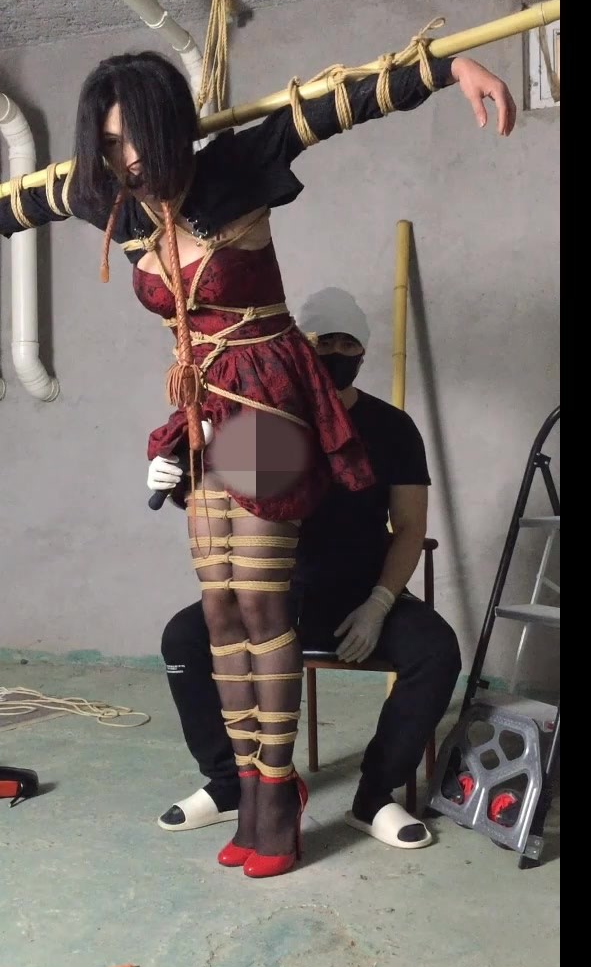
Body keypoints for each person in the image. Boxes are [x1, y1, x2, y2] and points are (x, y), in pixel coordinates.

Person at [0, 36, 514, 878]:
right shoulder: (116, 201)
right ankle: (251, 789)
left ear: (169, 126)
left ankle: (274, 796)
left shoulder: (235, 167)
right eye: (108, 143)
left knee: (259, 605)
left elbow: (336, 102)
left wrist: (445, 68)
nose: (125, 158)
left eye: (135, 138)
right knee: (219, 613)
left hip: (268, 402)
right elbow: (29, 199)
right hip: (204, 409)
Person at [152, 288, 462, 853]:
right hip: (269, 594)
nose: (335, 353)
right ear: (298, 349)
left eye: (347, 343)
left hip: (358, 596)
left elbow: (410, 527)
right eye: (322, 342)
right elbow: (222, 502)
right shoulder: (265, 423)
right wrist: (177, 473)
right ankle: (229, 784)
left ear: (363, 351)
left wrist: (379, 604)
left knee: (436, 651)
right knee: (183, 639)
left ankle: (375, 796)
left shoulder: (392, 428)